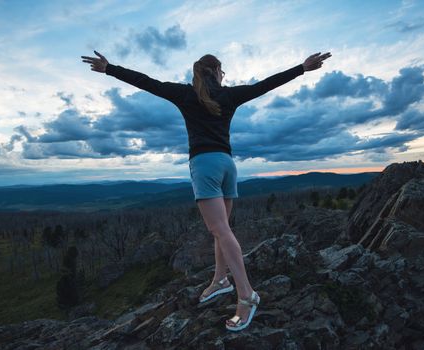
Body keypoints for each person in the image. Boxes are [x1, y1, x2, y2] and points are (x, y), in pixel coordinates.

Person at [81, 49, 331, 331]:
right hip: (228, 165)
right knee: (221, 230)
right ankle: (220, 281)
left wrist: (110, 68)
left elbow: (147, 82)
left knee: (221, 231)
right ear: (217, 72)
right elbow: (265, 85)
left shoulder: (186, 95)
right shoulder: (229, 96)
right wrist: (301, 68)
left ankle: (246, 295)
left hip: (205, 166)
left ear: (196, 72)